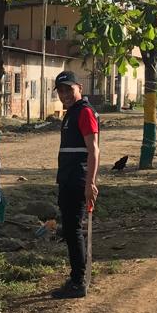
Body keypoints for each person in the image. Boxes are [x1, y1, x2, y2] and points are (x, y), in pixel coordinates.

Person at [51, 70, 100, 299]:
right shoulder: (72, 112)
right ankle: (76, 277)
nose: (65, 95)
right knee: (70, 231)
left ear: (79, 88)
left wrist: (90, 183)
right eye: (61, 91)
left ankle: (78, 282)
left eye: (69, 89)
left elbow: (94, 150)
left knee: (74, 231)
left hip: (78, 180)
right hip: (67, 179)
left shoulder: (84, 112)